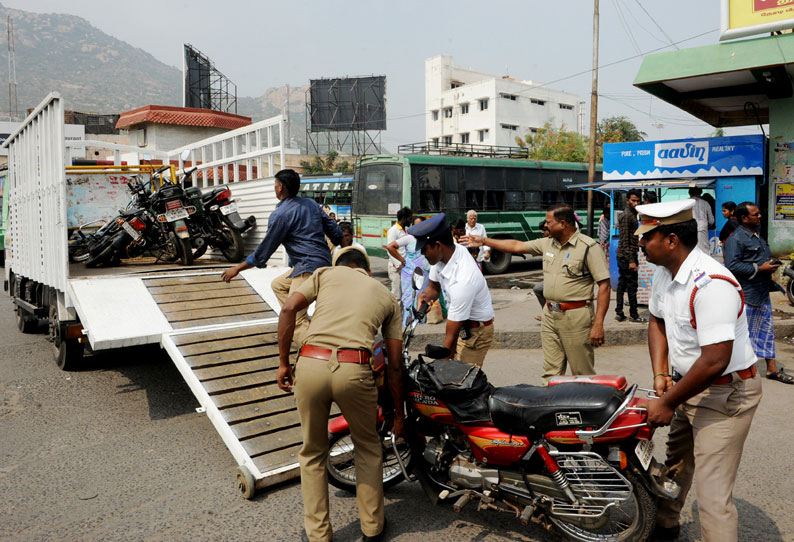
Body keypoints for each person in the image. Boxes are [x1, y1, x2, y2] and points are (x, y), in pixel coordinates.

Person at [637, 199, 762, 542]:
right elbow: (657, 321)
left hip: (724, 392)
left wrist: (666, 402)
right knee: (675, 465)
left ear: (672, 240)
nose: (641, 244)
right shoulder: (666, 273)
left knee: (712, 495)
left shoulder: (712, 284)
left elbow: (715, 360)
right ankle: (665, 526)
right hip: (687, 387)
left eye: (647, 237)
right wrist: (660, 374)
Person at [276, 246, 406, 542]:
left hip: (310, 363)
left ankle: (319, 535)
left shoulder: (324, 274)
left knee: (312, 452)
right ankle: (372, 528)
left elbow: (288, 308)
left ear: (340, 266)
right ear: (367, 270)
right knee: (368, 447)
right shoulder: (386, 295)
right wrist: (397, 415)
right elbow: (395, 366)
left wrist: (284, 362)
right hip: (354, 369)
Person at [463, 205, 610, 382]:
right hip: (550, 315)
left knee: (581, 372)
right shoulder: (547, 243)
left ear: (563, 224)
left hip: (576, 316)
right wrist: (485, 242)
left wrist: (599, 324)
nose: (545, 226)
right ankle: (552, 407)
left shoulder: (588, 247)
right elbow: (516, 246)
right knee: (551, 372)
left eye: (549, 222)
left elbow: (604, 286)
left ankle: (587, 408)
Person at [221, 169, 342, 346]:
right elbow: (336, 233)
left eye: (275, 185)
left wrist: (237, 268)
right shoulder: (311, 204)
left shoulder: (280, 215)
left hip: (306, 270)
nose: (275, 188)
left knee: (295, 319)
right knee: (278, 285)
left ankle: (316, 351)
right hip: (322, 264)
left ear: (281, 188)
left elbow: (264, 252)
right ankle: (304, 321)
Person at [411, 213, 495, 368]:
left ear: (438, 245)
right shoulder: (443, 257)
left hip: (476, 333)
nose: (422, 254)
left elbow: (451, 336)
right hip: (462, 325)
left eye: (424, 249)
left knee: (460, 382)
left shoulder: (463, 279)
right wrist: (426, 296)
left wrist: (442, 366)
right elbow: (434, 287)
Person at [724, 202, 792, 384]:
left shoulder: (756, 236)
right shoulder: (736, 239)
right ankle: (738, 371)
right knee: (745, 334)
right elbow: (732, 265)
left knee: (766, 331)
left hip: (761, 292)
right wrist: (759, 268)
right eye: (755, 214)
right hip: (747, 295)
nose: (760, 216)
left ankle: (771, 369)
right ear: (744, 218)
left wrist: (769, 264)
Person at [384, 216, 431, 325]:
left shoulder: (429, 239)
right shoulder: (410, 238)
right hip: (409, 275)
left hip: (425, 275)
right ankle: (407, 326)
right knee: (408, 302)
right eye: (415, 225)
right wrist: (401, 260)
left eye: (420, 225)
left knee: (422, 300)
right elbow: (390, 247)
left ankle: (420, 328)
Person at [615, 189, 647, 323]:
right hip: (627, 256)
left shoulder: (631, 214)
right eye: (633, 200)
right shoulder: (628, 216)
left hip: (624, 255)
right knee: (632, 286)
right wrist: (631, 260)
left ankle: (620, 312)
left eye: (638, 201)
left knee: (622, 284)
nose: (636, 203)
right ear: (627, 200)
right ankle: (634, 314)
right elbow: (626, 240)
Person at [385, 207, 413, 300]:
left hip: (404, 266)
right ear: (404, 218)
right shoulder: (393, 230)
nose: (411, 221)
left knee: (405, 294)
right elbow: (390, 250)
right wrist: (399, 264)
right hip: (396, 267)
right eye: (409, 218)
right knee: (397, 296)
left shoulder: (406, 230)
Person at [532, 220, 550, 321]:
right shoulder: (544, 242)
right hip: (549, 278)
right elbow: (518, 246)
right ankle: (547, 314)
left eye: (544, 230)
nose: (542, 232)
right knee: (538, 289)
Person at [689, 187, 714, 254]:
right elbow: (711, 220)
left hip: (688, 229)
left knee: (690, 250)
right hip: (702, 229)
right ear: (700, 193)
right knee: (703, 250)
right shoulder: (705, 203)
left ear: (690, 193)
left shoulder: (686, 203)